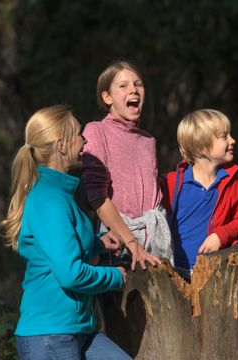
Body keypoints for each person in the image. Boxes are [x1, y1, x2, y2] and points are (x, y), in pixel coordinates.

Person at [1, 105, 132, 359]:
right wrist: (115, 276)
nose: (84, 140)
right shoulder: (49, 198)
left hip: (78, 329)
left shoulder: (61, 194)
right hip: (49, 335)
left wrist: (98, 244)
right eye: (79, 133)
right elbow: (69, 273)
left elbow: (65, 244)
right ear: (61, 145)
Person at [81, 61, 169, 269]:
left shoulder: (148, 140)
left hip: (156, 240)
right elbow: (97, 198)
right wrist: (132, 243)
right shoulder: (96, 131)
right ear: (107, 97)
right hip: (119, 245)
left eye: (138, 84)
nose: (133, 90)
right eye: (123, 86)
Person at [163, 109, 238, 278]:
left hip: (215, 272)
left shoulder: (234, 180)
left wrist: (220, 236)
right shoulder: (171, 183)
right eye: (224, 137)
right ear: (202, 147)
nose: (232, 140)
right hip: (174, 273)